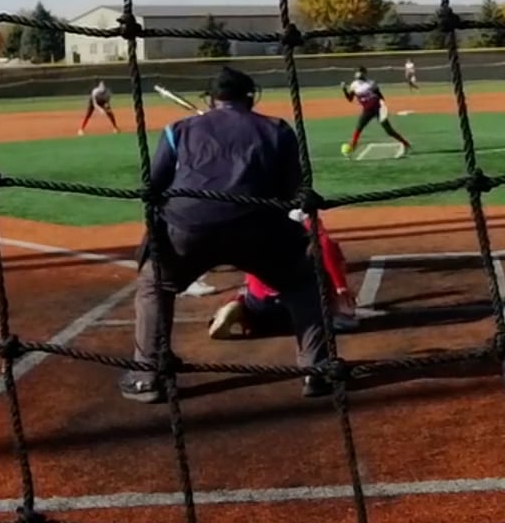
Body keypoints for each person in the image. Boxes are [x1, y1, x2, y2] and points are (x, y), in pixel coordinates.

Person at [120, 67, 332, 403]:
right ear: (251, 96)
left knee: (155, 285)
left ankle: (147, 375)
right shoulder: (277, 129)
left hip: (188, 229)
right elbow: (292, 189)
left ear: (212, 99)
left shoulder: (178, 130)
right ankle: (316, 369)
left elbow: (154, 186)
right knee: (303, 282)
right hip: (259, 228)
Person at [208, 208, 357, 340]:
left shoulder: (259, 222)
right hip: (298, 303)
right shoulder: (306, 224)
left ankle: (239, 307)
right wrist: (340, 287)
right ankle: (332, 315)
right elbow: (325, 245)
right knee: (314, 291)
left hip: (260, 305)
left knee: (252, 292)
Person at [342, 66, 411, 159]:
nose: (358, 74)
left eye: (360, 72)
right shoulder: (354, 85)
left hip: (378, 108)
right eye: (357, 72)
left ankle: (405, 144)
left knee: (389, 130)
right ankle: (352, 147)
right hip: (367, 110)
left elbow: (380, 95)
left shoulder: (371, 83)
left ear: (364, 73)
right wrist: (344, 90)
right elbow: (350, 99)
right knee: (359, 128)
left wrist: (384, 107)